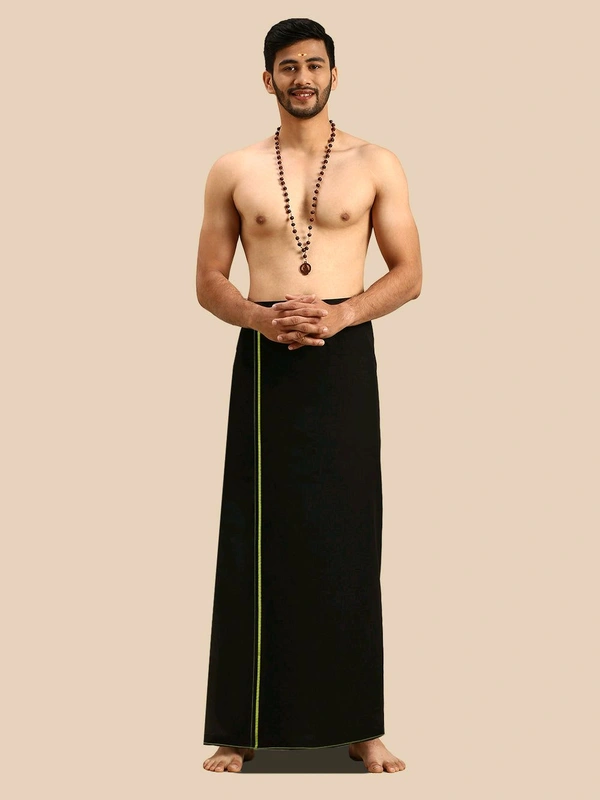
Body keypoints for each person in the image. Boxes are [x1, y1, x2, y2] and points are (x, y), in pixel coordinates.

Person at [197, 18, 422, 775]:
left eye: (315, 65)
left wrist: (342, 313)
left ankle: (360, 727)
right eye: (288, 66)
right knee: (254, 536)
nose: (303, 77)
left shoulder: (376, 162)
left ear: (333, 74)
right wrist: (262, 319)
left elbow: (409, 272)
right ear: (268, 79)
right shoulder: (233, 168)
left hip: (343, 353)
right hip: (266, 360)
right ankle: (240, 728)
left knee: (349, 536)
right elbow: (208, 281)